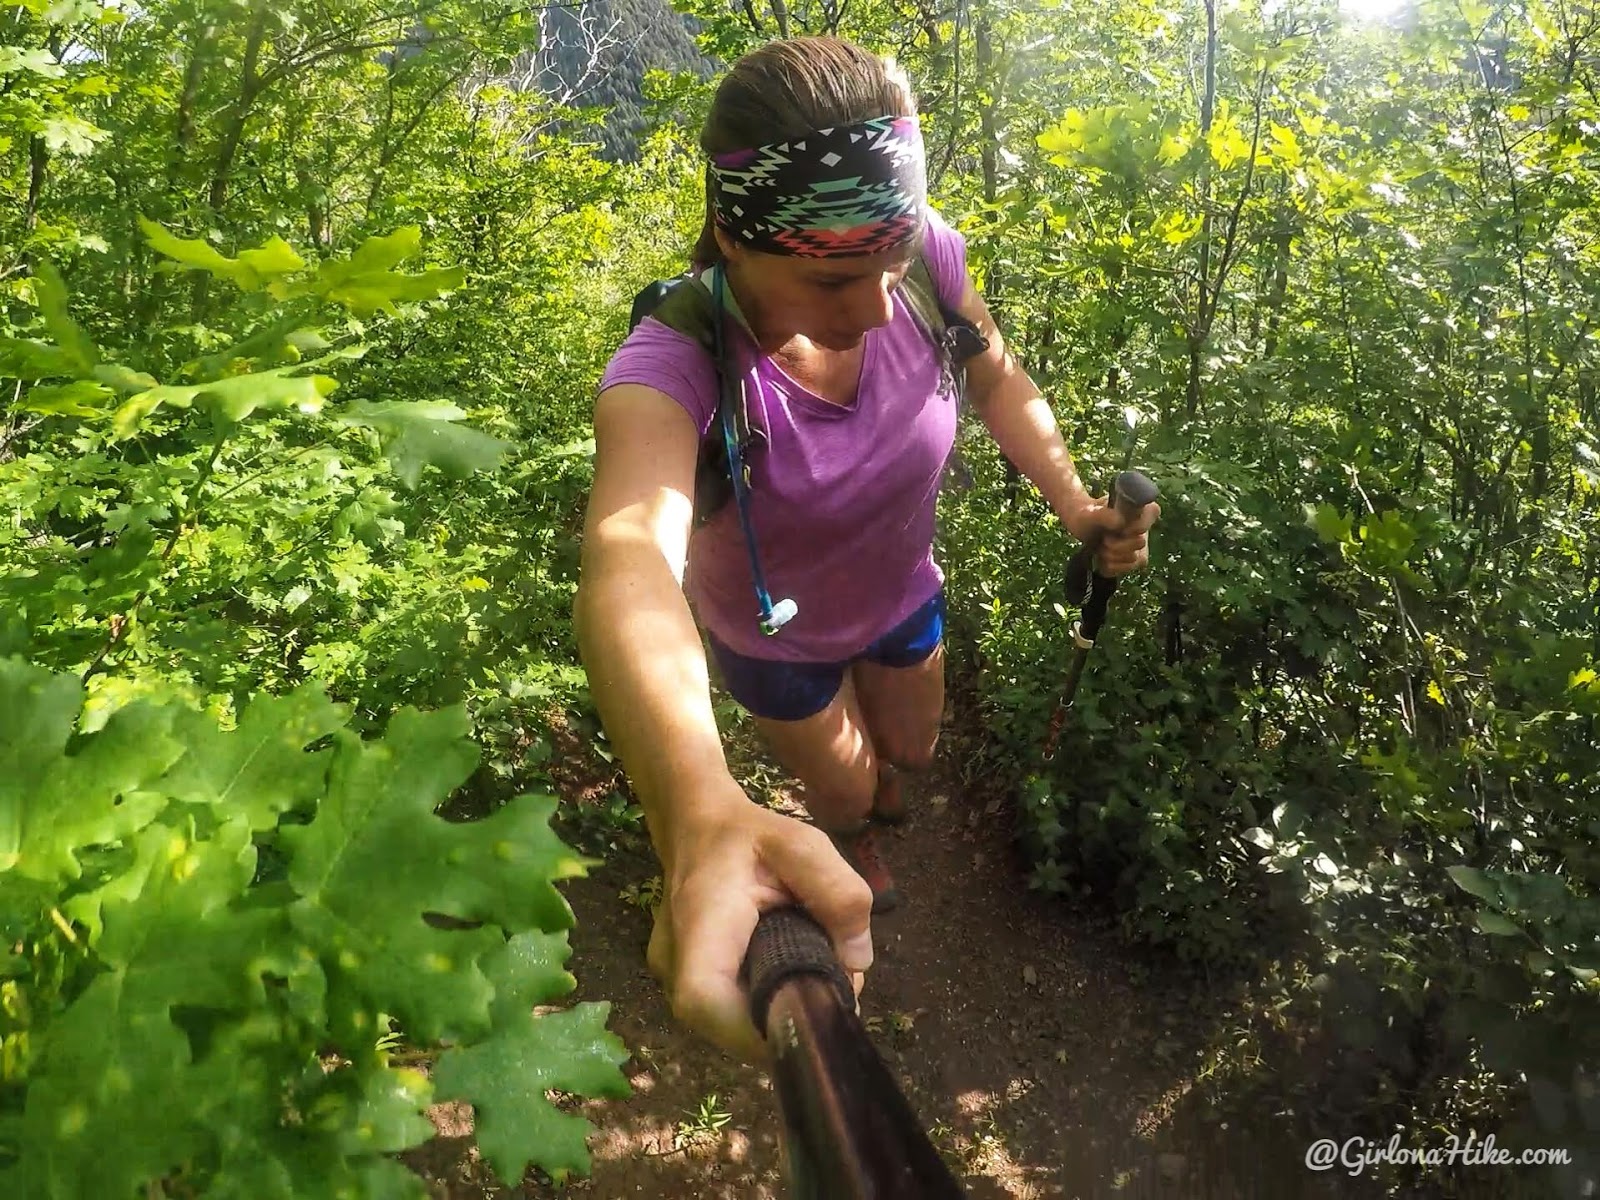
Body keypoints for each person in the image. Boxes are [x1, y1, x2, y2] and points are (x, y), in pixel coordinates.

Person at [574, 35, 1158, 1062]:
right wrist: (699, 805)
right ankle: (856, 837)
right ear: (732, 234)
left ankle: (879, 811)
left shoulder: (917, 249)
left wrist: (1073, 504)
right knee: (844, 792)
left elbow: (992, 373)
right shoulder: (672, 364)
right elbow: (629, 555)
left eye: (889, 265)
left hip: (899, 594)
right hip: (773, 644)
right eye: (835, 281)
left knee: (913, 751)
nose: (880, 307)